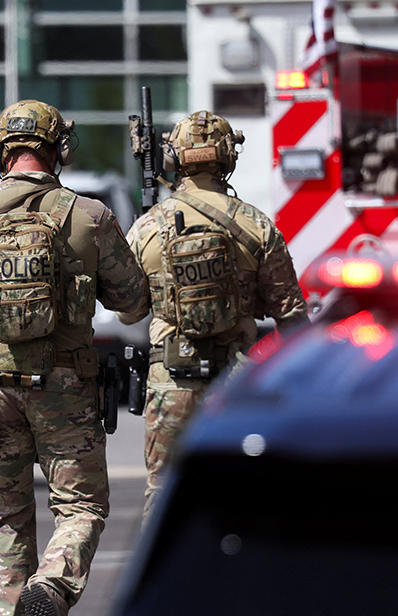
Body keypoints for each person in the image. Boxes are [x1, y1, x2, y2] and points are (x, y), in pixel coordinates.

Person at [0, 99, 147, 616]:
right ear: (60, 151)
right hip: (67, 389)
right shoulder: (89, 216)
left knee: (7, 516)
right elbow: (134, 302)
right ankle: (52, 584)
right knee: (82, 506)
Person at [118, 110, 309, 518]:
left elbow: (128, 314)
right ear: (228, 158)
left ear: (176, 160)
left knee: (164, 491)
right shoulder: (255, 224)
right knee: (243, 490)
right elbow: (292, 319)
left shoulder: (148, 227)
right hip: (235, 383)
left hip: (171, 380)